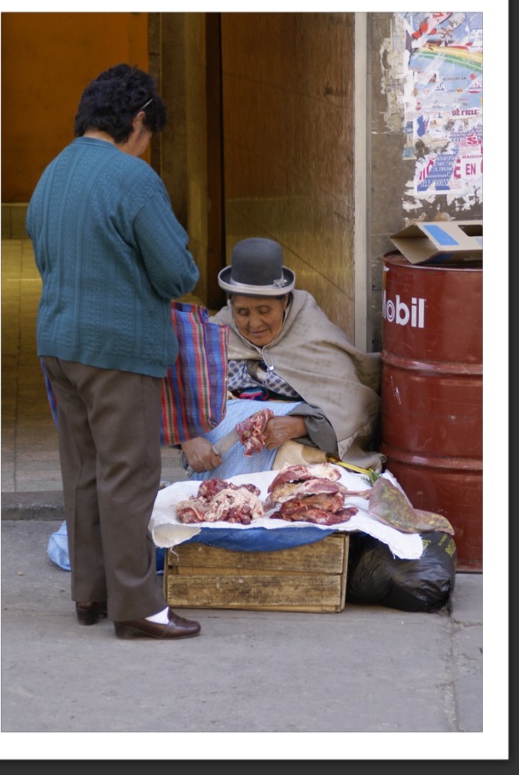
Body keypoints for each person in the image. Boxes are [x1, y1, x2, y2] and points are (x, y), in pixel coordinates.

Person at [26, 63, 202, 640]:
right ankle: (136, 607)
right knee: (128, 475)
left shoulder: (52, 172)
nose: (147, 147)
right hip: (117, 349)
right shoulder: (133, 179)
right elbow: (176, 273)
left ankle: (89, 595)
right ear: (137, 120)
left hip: (59, 342)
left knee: (83, 474)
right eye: (149, 135)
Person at [180, 237, 386, 481]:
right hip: (223, 459)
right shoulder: (217, 333)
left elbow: (350, 412)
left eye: (265, 311)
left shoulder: (313, 334)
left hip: (295, 459)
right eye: (242, 312)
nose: (254, 323)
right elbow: (179, 396)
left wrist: (300, 425)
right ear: (230, 306)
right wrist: (188, 439)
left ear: (285, 301)